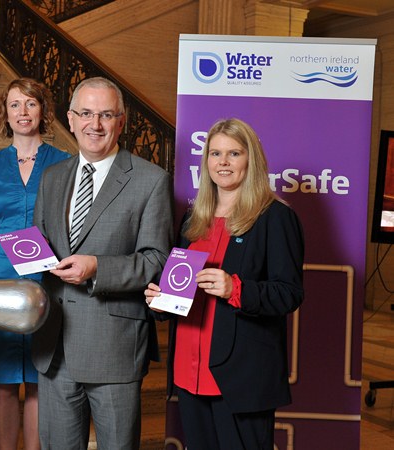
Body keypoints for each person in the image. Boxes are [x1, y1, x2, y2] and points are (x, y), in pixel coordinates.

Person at [145, 118, 304, 449]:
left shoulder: (275, 217)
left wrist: (236, 289)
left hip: (241, 377)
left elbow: (289, 293)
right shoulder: (193, 218)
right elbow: (181, 286)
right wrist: (162, 299)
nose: (223, 163)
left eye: (234, 153)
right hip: (189, 371)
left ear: (251, 160)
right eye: (215, 154)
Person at [32, 77, 173, 450]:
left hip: (114, 348)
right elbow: (42, 243)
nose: (95, 124)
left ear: (121, 122)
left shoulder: (151, 181)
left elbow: (156, 260)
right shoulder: (51, 178)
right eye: (87, 113)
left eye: (106, 115)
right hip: (54, 346)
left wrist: (97, 267)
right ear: (71, 118)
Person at [0, 78, 70, 450]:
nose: (22, 112)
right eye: (15, 105)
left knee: (41, 377)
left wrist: (43, 269)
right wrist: (1, 267)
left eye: (30, 104)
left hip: (49, 283)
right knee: (4, 380)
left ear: (42, 110)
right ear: (5, 113)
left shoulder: (65, 163)